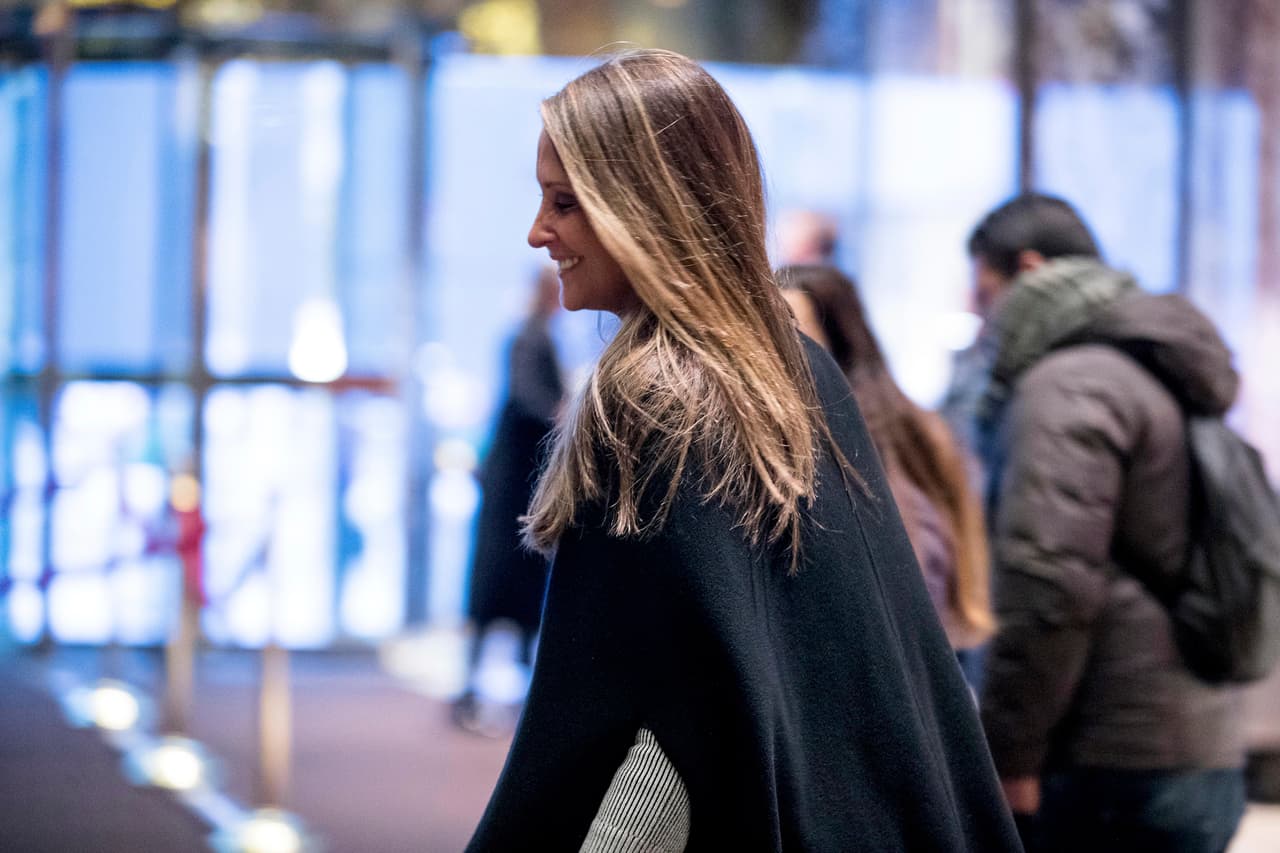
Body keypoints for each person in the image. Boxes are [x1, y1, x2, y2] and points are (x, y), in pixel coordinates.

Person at [465, 49, 1020, 852]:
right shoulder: (800, 367)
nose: (539, 231)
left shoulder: (652, 398)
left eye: (565, 203)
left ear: (644, 206)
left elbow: (607, 707)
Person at [968, 194, 1246, 851]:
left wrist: (1009, 754)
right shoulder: (1156, 368)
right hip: (1197, 738)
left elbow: (1048, 584)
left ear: (1029, 268)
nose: (979, 314)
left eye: (983, 287)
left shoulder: (1068, 386)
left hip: (1107, 760)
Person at [777, 264, 994, 670]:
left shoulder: (873, 439)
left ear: (840, 343)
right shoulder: (900, 427)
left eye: (795, 336)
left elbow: (906, 589)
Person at [452, 266, 564, 733]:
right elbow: (528, 400)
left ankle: (505, 690)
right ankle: (475, 689)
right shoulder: (529, 339)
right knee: (502, 583)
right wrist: (564, 414)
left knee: (513, 588)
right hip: (514, 483)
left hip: (518, 480)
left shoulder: (533, 337)